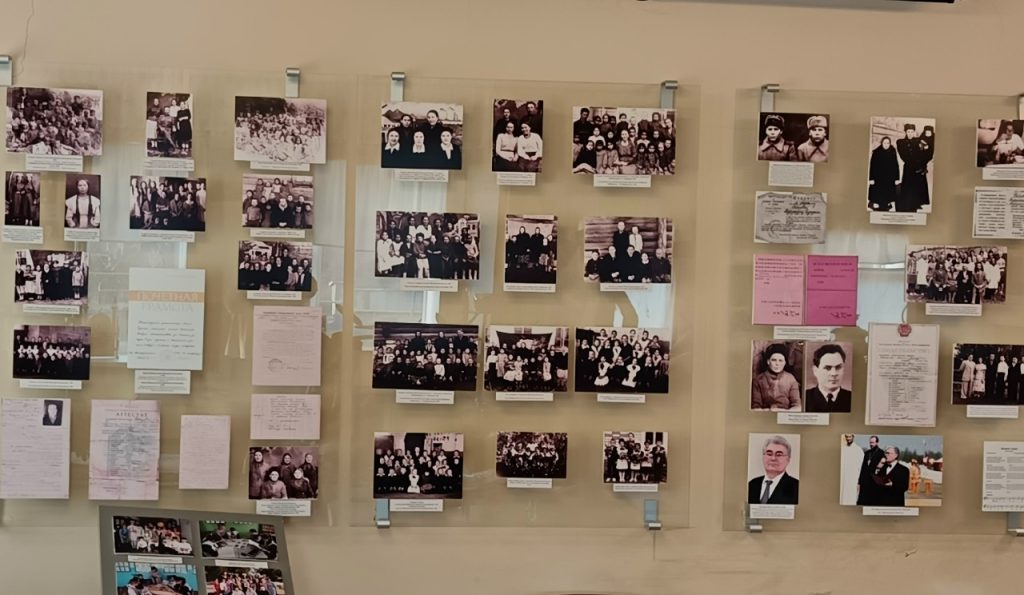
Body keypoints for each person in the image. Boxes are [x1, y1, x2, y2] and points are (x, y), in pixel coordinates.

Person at [747, 435, 799, 505]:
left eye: (779, 455)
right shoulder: (752, 484)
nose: (773, 458)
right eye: (769, 454)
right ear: (763, 457)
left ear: (788, 459)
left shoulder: (796, 487)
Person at [750, 343, 801, 411]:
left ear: (785, 363)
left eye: (780, 360)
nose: (777, 364)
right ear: (768, 362)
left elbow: (797, 406)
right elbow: (756, 406)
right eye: (774, 360)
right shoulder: (758, 380)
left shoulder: (791, 379)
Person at [804, 343, 852, 413]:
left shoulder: (853, 398)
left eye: (838, 367)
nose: (834, 373)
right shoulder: (804, 398)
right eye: (827, 368)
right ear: (815, 371)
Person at [896, 123, 932, 212]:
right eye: (908, 131)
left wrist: (923, 163)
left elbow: (925, 152)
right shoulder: (900, 142)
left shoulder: (919, 141)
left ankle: (917, 203)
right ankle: (909, 204)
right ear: (905, 132)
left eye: (912, 132)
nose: (910, 133)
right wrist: (916, 160)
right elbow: (903, 156)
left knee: (918, 187)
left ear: (914, 132)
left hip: (919, 167)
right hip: (909, 167)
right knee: (909, 187)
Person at [868, 136, 900, 211]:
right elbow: (872, 166)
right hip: (878, 177)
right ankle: (875, 205)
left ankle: (885, 205)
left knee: (888, 193)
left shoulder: (892, 151)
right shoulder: (876, 152)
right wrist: (871, 178)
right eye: (885, 143)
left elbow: (896, 165)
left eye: (888, 143)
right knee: (878, 192)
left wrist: (896, 178)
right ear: (881, 143)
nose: (886, 145)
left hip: (889, 177)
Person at [857, 435, 885, 505]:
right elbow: (863, 467)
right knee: (863, 501)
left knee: (873, 501)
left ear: (877, 443)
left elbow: (882, 469)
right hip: (865, 481)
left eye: (872, 442)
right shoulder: (867, 453)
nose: (871, 444)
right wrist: (860, 481)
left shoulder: (881, 453)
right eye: (870, 442)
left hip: (875, 481)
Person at [840, 434, 863, 506]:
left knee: (851, 497)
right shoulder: (843, 449)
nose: (848, 438)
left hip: (853, 478)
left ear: (853, 437)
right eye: (846, 437)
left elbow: (861, 466)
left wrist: (859, 480)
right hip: (843, 478)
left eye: (849, 437)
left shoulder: (858, 450)